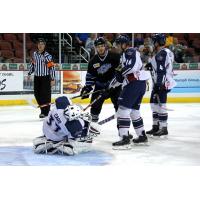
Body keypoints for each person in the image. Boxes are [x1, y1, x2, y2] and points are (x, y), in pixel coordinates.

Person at [110, 35, 150, 149]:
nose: (116, 47)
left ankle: (124, 139)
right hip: (138, 84)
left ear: (123, 44)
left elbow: (130, 68)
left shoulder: (129, 51)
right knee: (134, 112)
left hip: (134, 84)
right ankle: (142, 136)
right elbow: (121, 75)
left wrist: (120, 72)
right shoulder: (125, 54)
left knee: (123, 110)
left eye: (118, 44)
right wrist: (110, 86)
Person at [80, 37, 121, 133]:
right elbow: (90, 77)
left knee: (119, 107)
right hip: (100, 88)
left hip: (115, 87)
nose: (101, 48)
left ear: (105, 46)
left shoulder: (114, 56)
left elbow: (121, 71)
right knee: (94, 107)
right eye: (98, 46)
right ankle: (94, 128)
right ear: (95, 48)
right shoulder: (93, 61)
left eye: (102, 46)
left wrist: (113, 83)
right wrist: (87, 88)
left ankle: (122, 130)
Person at [33, 96, 98, 156]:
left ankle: (48, 142)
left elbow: (62, 99)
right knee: (84, 139)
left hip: (45, 128)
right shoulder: (73, 126)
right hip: (55, 138)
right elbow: (74, 135)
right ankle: (60, 145)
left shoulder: (59, 106)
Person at [145, 34, 176, 136]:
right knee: (154, 104)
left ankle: (163, 128)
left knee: (161, 105)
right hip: (163, 81)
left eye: (154, 42)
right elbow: (164, 66)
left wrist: (159, 85)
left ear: (157, 42)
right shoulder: (167, 52)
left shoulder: (160, 54)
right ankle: (156, 126)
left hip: (162, 83)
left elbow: (161, 71)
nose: (153, 44)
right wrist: (151, 66)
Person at [28, 38, 55, 118]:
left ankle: (45, 112)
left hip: (45, 78)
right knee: (37, 94)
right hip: (37, 77)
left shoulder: (47, 56)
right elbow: (32, 64)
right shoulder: (35, 54)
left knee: (45, 95)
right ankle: (43, 110)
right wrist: (29, 73)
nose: (40, 45)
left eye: (42, 44)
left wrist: (52, 79)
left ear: (44, 46)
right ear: (37, 45)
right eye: (39, 44)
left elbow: (52, 67)